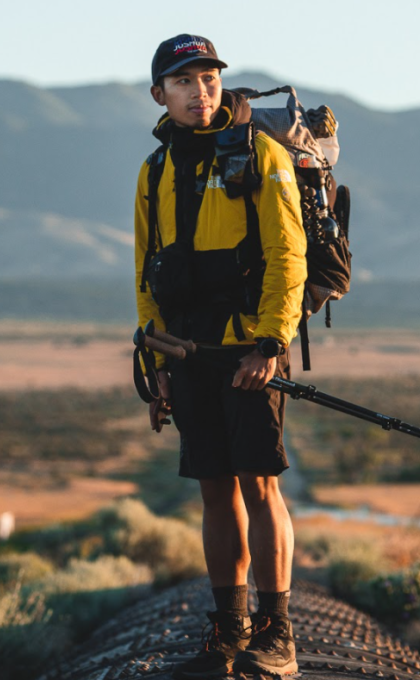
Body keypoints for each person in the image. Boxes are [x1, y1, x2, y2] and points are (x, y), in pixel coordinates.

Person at [133, 34, 307, 678]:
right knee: (213, 488)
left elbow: (288, 256)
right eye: (184, 82)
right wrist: (154, 357)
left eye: (208, 78)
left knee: (260, 486)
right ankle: (230, 630)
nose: (200, 90)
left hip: (249, 346)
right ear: (160, 95)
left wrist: (270, 344)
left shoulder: (260, 153)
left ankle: (276, 633)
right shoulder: (154, 171)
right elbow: (144, 271)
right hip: (184, 349)